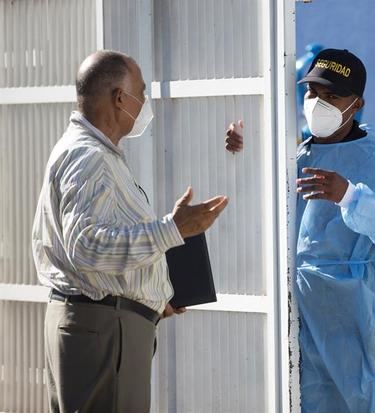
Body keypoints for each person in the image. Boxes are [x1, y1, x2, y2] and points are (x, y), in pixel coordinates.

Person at [225, 49, 375, 412]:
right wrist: (243, 152)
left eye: (333, 96)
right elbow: (257, 210)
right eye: (313, 94)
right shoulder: (296, 156)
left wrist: (351, 197)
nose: (319, 104)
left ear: (357, 103)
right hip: (305, 313)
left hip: (363, 314)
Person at [32, 50, 228, 413]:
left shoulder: (90, 152)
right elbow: (87, 246)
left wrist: (153, 295)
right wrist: (172, 229)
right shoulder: (89, 156)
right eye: (141, 91)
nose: (145, 103)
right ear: (120, 97)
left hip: (104, 325)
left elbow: (102, 244)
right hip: (104, 329)